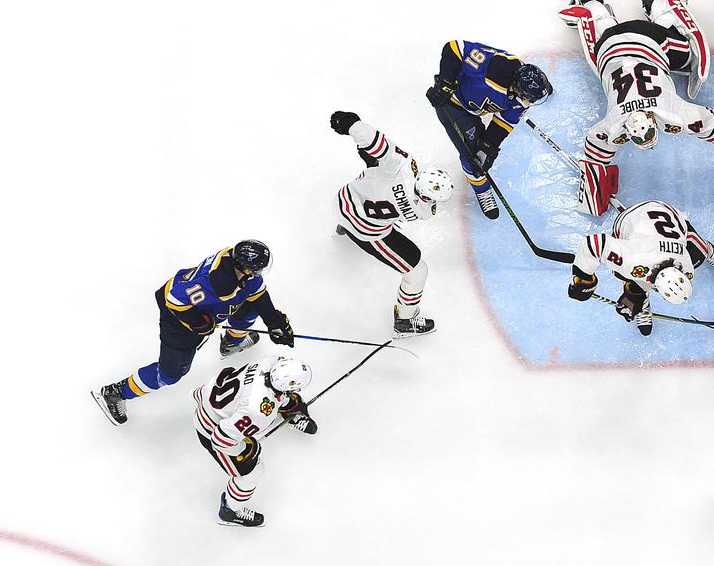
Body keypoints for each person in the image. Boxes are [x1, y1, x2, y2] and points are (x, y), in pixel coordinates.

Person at [559, 0, 714, 215]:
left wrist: (594, 189)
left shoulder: (626, 120)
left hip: (637, 42)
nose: (649, 142)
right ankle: (605, 9)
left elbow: (595, 148)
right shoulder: (641, 117)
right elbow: (711, 123)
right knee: (625, 58)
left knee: (684, 62)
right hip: (613, 45)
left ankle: (648, 7)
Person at [91, 240, 296, 426]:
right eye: (256, 269)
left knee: (249, 308)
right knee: (171, 373)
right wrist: (197, 323)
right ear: (244, 266)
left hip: (199, 304)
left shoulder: (235, 264)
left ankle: (232, 343)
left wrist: (274, 321)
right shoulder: (218, 283)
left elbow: (257, 294)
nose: (257, 273)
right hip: (178, 322)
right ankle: (116, 392)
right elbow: (175, 300)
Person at [329, 111, 454, 336]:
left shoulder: (402, 167)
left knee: (373, 165)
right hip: (365, 229)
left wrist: (352, 124)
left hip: (344, 200)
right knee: (417, 271)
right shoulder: (423, 211)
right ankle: (404, 322)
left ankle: (342, 229)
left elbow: (377, 144)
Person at [426, 40, 553, 220]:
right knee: (471, 158)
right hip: (453, 103)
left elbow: (504, 122)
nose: (528, 102)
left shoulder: (523, 97)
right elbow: (455, 47)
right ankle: (482, 190)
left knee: (481, 154)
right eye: (528, 97)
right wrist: (445, 83)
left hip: (477, 106)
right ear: (518, 88)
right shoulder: (495, 68)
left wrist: (488, 145)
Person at [565, 199, 714, 335]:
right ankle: (641, 302)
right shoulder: (631, 259)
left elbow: (593, 244)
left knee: (698, 250)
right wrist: (585, 279)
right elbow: (592, 245)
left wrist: (586, 278)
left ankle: (709, 250)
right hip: (629, 220)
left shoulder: (687, 267)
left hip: (665, 210)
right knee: (623, 274)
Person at [193, 355, 318, 527]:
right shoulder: (258, 413)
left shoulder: (269, 362)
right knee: (252, 473)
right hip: (211, 427)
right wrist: (246, 449)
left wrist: (287, 402)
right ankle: (230, 512)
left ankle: (288, 412)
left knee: (276, 402)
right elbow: (221, 440)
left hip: (212, 393)